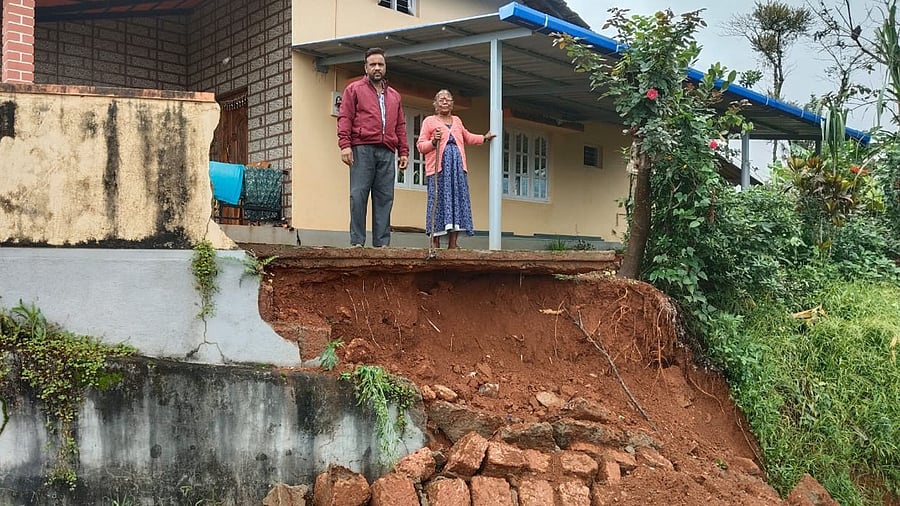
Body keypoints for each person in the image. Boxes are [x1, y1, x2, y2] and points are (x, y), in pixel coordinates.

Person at [337, 47, 409, 247]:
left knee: (385, 198)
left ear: (385, 67)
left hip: (387, 150)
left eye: (381, 64)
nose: (377, 68)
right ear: (366, 67)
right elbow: (345, 118)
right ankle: (357, 242)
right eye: (373, 64)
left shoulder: (395, 96)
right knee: (358, 195)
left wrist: (403, 151)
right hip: (362, 148)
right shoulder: (354, 90)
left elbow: (401, 125)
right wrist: (345, 145)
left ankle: (382, 244)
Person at [416, 89, 495, 249]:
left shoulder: (457, 120)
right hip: (438, 169)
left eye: (448, 99)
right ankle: (435, 241)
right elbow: (420, 146)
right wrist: (433, 142)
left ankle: (453, 243)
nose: (445, 102)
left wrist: (484, 138)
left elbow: (467, 137)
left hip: (457, 169)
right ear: (435, 104)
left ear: (452, 104)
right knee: (438, 201)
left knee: (457, 201)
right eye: (441, 99)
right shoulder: (429, 121)